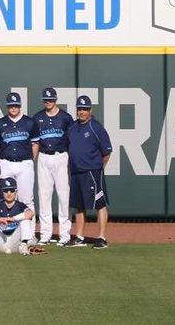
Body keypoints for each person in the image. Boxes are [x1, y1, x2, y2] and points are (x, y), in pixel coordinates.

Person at [65, 95, 113, 250]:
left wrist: (98, 167)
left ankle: (102, 237)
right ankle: (79, 237)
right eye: (80, 109)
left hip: (92, 172)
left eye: (85, 109)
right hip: (76, 171)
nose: (82, 112)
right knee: (78, 206)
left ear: (90, 110)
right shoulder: (72, 127)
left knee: (100, 203)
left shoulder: (96, 127)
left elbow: (106, 152)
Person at [33, 86, 74, 245]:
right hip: (44, 157)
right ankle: (45, 234)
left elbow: (71, 140)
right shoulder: (37, 118)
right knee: (44, 197)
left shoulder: (65, 117)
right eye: (46, 100)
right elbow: (35, 141)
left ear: (56, 100)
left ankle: (65, 235)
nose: (48, 102)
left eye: (51, 99)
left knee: (64, 197)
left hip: (61, 156)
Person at [0, 91, 39, 208]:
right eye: (11, 105)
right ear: (7, 106)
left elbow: (35, 144)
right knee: (5, 197)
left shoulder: (30, 122)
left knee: (26, 198)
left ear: (20, 106)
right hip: (6, 163)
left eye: (16, 105)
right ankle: (7, 226)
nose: (13, 108)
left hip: (24, 163)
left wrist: (30, 160)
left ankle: (28, 226)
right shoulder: (0, 123)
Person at [0, 176, 36, 255]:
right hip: (0, 240)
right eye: (6, 190)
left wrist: (13, 218)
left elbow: (31, 213)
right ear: (2, 192)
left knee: (25, 220)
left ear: (16, 192)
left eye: (11, 190)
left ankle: (24, 244)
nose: (9, 193)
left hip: (16, 243)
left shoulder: (20, 205)